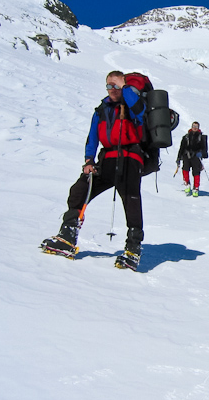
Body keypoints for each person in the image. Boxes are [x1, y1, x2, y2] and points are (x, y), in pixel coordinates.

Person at [41, 70, 146, 270]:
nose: (111, 90)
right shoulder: (101, 109)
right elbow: (92, 137)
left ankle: (133, 248)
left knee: (131, 200)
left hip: (130, 157)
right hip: (106, 158)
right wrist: (89, 160)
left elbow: (140, 111)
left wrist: (125, 88)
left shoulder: (132, 103)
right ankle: (67, 236)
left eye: (115, 86)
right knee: (80, 189)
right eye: (109, 86)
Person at [177, 121, 208, 197]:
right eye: (193, 126)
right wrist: (178, 157)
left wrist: (201, 153)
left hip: (196, 156)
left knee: (196, 172)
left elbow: (204, 148)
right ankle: (187, 183)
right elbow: (181, 147)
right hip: (186, 155)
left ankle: (196, 188)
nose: (194, 128)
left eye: (196, 127)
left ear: (198, 128)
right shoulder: (186, 137)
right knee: (185, 169)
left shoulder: (201, 137)